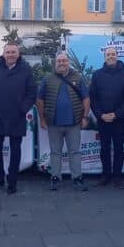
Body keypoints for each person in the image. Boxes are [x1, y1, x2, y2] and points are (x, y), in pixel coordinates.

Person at [0, 43, 37, 193]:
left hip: (17, 116)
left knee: (15, 150)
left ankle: (12, 182)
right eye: (8, 52)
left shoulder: (26, 70)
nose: (11, 55)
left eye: (14, 52)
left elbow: (32, 93)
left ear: (18, 54)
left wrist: (23, 109)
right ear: (3, 54)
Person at [37, 52, 90, 192]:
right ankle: (55, 177)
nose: (62, 63)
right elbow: (40, 100)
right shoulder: (48, 79)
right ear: (55, 63)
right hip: (53, 123)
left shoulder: (77, 77)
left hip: (74, 123)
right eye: (59, 61)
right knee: (55, 152)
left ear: (68, 62)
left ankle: (77, 178)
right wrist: (42, 119)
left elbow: (86, 98)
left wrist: (85, 117)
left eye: (64, 61)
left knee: (75, 152)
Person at [90, 47, 124, 188]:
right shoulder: (97, 75)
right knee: (104, 149)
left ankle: (117, 177)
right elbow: (93, 98)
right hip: (103, 120)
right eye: (108, 54)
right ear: (104, 57)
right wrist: (100, 114)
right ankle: (106, 175)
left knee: (119, 149)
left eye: (113, 54)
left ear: (117, 55)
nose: (111, 56)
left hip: (118, 120)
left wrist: (117, 114)